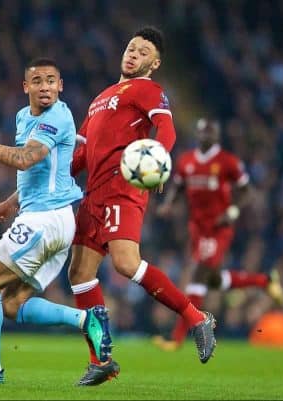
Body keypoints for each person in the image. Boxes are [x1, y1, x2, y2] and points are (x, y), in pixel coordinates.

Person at [0, 58, 113, 385]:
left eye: (51, 80)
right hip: (53, 219)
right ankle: (86, 319)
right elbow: (42, 173)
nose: (45, 87)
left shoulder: (58, 116)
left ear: (60, 86)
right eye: (37, 81)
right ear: (26, 87)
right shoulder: (25, 117)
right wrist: (11, 203)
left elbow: (26, 159)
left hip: (46, 221)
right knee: (11, 303)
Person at [68, 26, 217, 386]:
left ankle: (196, 318)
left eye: (142, 52)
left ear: (155, 63)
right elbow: (82, 152)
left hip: (124, 188)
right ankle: (100, 359)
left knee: (125, 263)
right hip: (94, 195)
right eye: (131, 48)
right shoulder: (100, 98)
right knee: (79, 274)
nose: (133, 54)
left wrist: (158, 157)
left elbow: (166, 129)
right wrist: (54, 176)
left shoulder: (148, 89)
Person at [152, 117, 283, 350]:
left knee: (197, 276)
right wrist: (169, 204)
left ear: (217, 136)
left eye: (210, 133)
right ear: (198, 134)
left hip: (218, 228)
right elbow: (178, 186)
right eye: (202, 132)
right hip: (196, 228)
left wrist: (232, 211)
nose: (206, 136)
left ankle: (177, 337)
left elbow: (246, 192)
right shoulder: (186, 161)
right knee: (213, 280)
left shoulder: (228, 162)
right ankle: (264, 280)